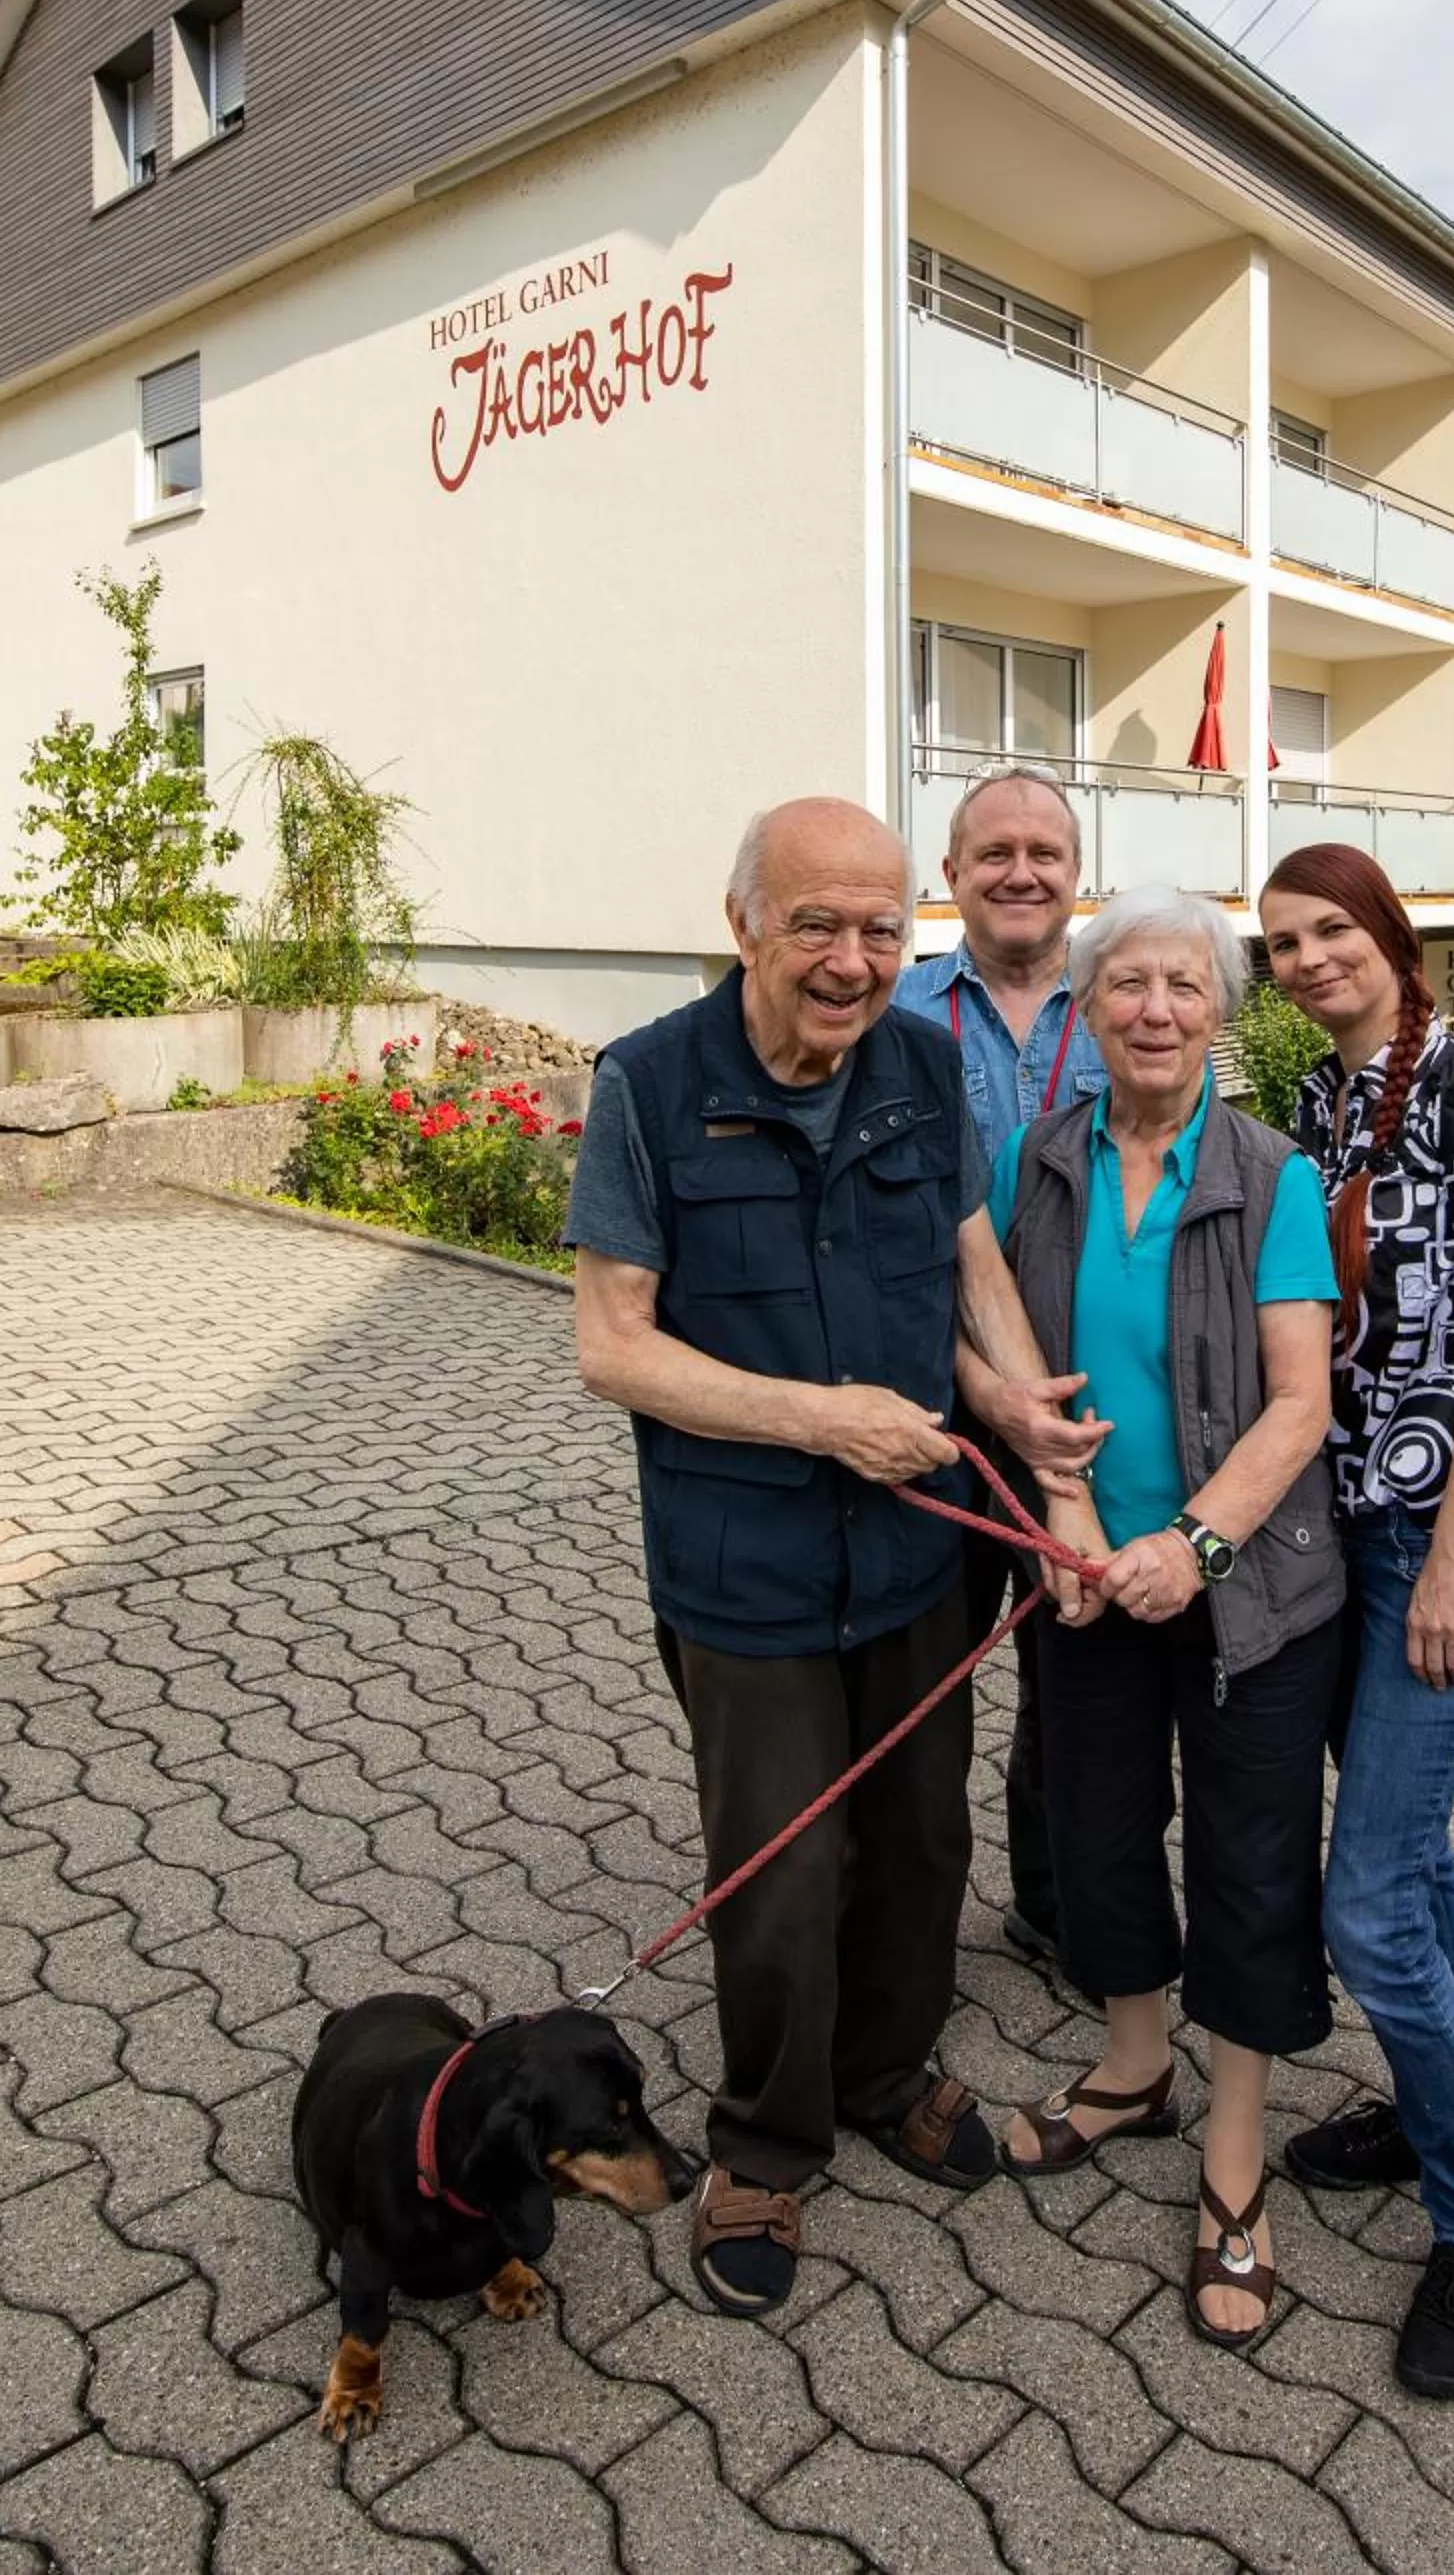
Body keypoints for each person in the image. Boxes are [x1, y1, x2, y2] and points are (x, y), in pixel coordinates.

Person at [567, 797, 1102, 2321]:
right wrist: (825, 1421)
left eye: (882, 929)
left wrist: (1020, 1416)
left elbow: (971, 1258)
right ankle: (766, 2143)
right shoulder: (650, 1086)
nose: (855, 961)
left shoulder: (924, 1066)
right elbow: (613, 1347)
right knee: (787, 1870)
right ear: (744, 924)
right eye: (819, 925)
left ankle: (887, 2071)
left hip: (918, 1553)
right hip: (747, 1567)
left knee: (925, 1840)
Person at [984, 886, 1343, 2353]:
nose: (1154, 1009)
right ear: (1083, 1008)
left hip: (1247, 1588)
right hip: (1079, 1575)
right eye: (1124, 983)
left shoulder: (1273, 1178)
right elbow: (989, 1341)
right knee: (1097, 1827)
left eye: (1183, 986)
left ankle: (1236, 2160)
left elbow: (1303, 1402)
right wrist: (1055, 1512)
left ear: (1219, 1011)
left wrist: (1193, 1546)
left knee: (1253, 1861)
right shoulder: (1038, 1157)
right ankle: (1134, 2068)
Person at [1258, 843, 1454, 2401]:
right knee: (1413, 1856)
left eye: (1331, 932)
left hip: (1442, 1548)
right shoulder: (1315, 1109)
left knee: (1365, 1901)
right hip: (1335, 1529)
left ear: (1389, 934)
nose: (1308, 959)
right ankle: (1422, 2103)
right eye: (1283, 942)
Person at [894, 763, 1107, 1966]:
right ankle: (913, 1931)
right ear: (953, 876)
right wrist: (984, 1385)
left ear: (1078, 876)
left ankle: (1056, 1909)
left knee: (1074, 1682)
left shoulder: (1131, 1001)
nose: (1021, 872)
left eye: (1045, 853)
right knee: (928, 1682)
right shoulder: (899, 1012)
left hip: (1085, 1408)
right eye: (994, 854)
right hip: (937, 1402)